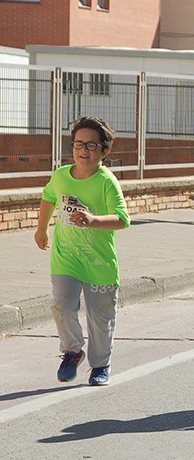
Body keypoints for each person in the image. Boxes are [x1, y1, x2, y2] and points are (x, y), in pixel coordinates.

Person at [34, 117, 130, 386]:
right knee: (62, 305)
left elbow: (123, 219)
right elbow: (49, 197)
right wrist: (41, 230)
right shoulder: (61, 175)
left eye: (90, 145)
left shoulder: (107, 182)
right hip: (66, 258)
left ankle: (100, 365)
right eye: (78, 144)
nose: (83, 150)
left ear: (104, 151)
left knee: (101, 318)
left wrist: (94, 220)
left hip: (99, 262)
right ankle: (72, 351)